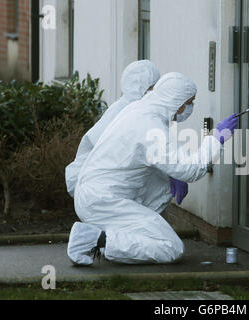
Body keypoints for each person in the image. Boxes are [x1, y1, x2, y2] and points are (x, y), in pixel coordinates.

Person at [67, 72, 239, 265]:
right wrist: (216, 140)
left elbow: (162, 154)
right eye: (189, 102)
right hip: (103, 201)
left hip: (99, 193)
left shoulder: (142, 110)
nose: (190, 107)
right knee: (171, 247)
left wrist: (171, 174)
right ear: (177, 101)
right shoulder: (150, 126)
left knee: (164, 187)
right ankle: (95, 239)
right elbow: (190, 170)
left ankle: (120, 240)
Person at [65, 60, 160, 198]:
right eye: (154, 87)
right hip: (98, 185)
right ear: (144, 88)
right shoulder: (128, 112)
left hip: (95, 183)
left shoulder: (126, 107)